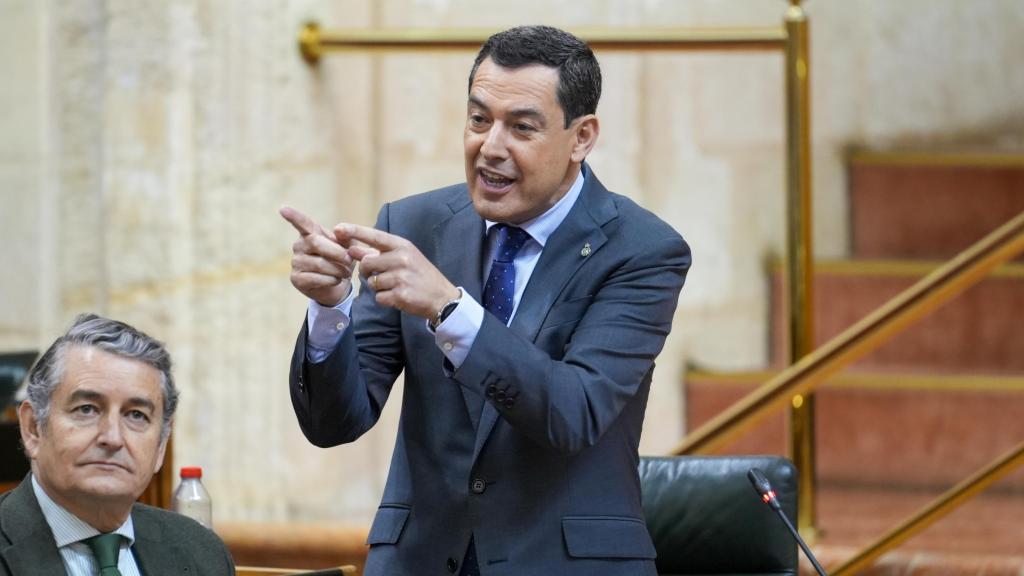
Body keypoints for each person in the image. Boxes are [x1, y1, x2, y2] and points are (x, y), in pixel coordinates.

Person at [282, 25, 691, 576]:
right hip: (420, 558)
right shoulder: (413, 225)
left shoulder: (642, 250)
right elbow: (335, 423)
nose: (490, 147)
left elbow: (574, 411)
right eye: (479, 119)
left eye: (522, 127)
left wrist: (451, 311)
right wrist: (331, 311)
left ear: (582, 137)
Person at [0, 314, 234, 576]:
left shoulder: (202, 553)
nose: (112, 438)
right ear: (33, 428)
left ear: (160, 448)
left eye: (136, 415)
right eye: (87, 409)